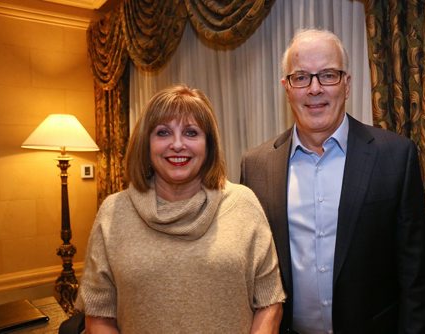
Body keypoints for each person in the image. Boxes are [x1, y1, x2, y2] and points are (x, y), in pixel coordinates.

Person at [240, 29, 425, 334]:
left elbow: (417, 281)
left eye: (328, 75)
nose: (315, 89)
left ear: (346, 84)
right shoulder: (255, 167)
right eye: (301, 77)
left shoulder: (396, 157)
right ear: (287, 88)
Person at [76, 85, 286, 333]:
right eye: (163, 132)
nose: (177, 145)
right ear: (146, 143)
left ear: (208, 145)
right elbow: (98, 315)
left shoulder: (243, 204)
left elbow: (270, 303)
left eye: (191, 132)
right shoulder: (113, 212)